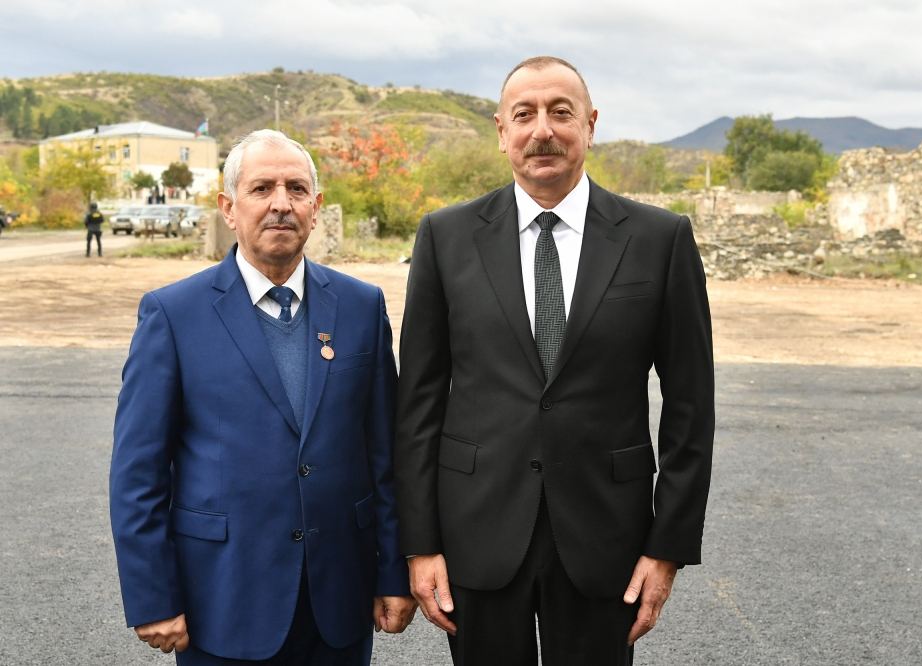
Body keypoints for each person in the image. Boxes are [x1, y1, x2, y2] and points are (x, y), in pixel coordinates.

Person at [394, 56, 715, 665]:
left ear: (590, 124)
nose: (542, 129)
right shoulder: (446, 237)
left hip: (606, 539)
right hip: (477, 532)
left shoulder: (659, 240)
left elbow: (691, 408)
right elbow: (418, 403)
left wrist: (667, 547)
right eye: (525, 115)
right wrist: (420, 544)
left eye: (560, 112)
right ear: (501, 132)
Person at [110, 129, 417, 664]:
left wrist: (392, 572)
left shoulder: (361, 307)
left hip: (337, 604)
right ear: (229, 207)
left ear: (316, 207)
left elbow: (384, 457)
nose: (281, 204)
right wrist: (152, 596)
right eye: (262, 189)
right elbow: (138, 473)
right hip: (222, 601)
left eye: (296, 189)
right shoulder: (173, 314)